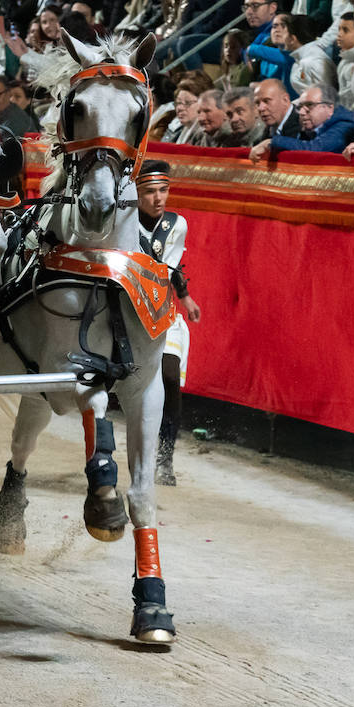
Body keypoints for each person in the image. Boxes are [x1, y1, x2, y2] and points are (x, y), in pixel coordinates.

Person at [135, 160, 202, 486]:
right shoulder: (123, 221)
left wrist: (185, 296)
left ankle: (165, 455)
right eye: (150, 191)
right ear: (136, 193)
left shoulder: (177, 224)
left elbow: (168, 266)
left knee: (170, 376)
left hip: (162, 311)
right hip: (128, 311)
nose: (159, 198)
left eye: (163, 190)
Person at [249, 82, 354, 159]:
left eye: (309, 105)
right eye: (300, 106)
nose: (301, 112)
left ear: (330, 108)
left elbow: (316, 149)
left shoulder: (345, 125)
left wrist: (272, 142)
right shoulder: (311, 127)